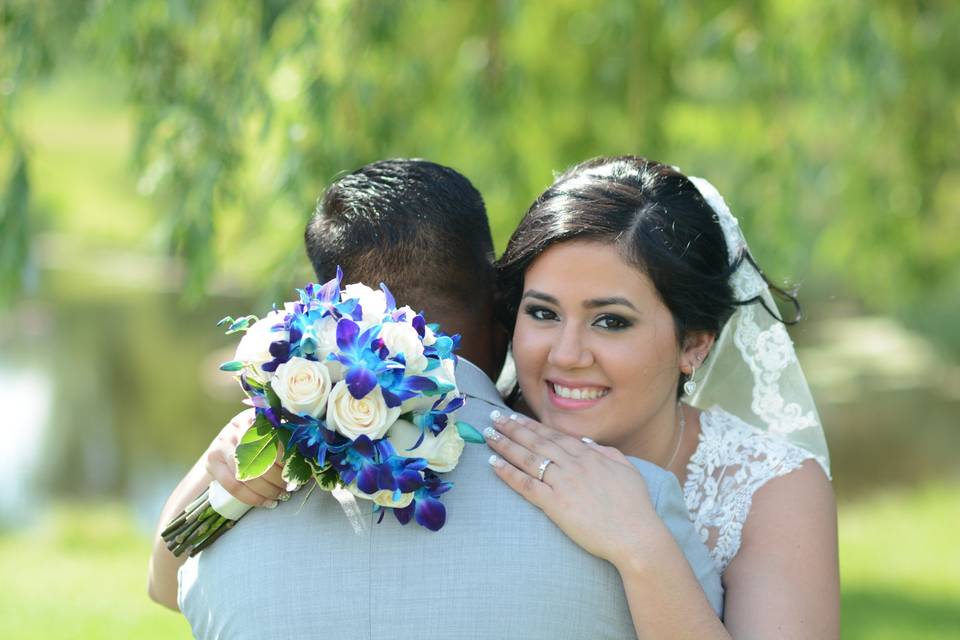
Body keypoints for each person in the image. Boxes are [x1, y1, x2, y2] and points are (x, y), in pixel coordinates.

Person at [147, 159, 724, 638]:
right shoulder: (638, 510)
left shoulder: (223, 513)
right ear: (502, 307)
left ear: (318, 317)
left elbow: (162, 581)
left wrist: (255, 434)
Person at [485, 155, 840, 638]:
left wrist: (640, 543)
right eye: (544, 314)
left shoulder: (767, 487)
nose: (566, 355)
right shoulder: (462, 447)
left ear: (694, 343)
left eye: (611, 321)